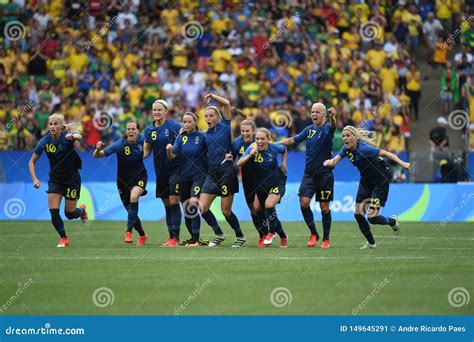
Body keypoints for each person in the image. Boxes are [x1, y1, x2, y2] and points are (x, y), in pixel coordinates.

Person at [324, 126, 410, 249]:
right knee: (358, 214)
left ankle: (392, 221)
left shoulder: (364, 149)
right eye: (343, 136)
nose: (345, 138)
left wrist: (404, 164)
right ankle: (371, 243)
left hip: (380, 182)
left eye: (348, 135)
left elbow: (385, 153)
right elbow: (335, 161)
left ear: (354, 137)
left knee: (372, 217)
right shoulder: (345, 149)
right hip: (365, 181)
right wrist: (329, 162)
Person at [279, 103, 336, 249]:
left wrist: (333, 117)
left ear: (323, 114)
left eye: (317, 112)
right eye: (312, 112)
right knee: (304, 203)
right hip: (309, 175)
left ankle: (326, 238)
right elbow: (292, 140)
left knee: (324, 208)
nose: (314, 114)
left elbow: (334, 126)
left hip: (324, 175)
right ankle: (313, 233)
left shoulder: (327, 128)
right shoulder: (309, 130)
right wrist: (273, 144)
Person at [28, 113, 88, 248]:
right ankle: (64, 238)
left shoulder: (67, 137)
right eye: (51, 124)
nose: (53, 126)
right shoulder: (44, 142)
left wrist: (73, 136)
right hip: (55, 180)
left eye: (56, 124)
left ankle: (82, 211)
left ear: (61, 126)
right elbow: (31, 162)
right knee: (54, 213)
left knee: (70, 214)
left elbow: (80, 136)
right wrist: (35, 179)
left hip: (72, 180)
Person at [200, 93, 246, 248]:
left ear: (218, 117)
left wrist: (212, 95)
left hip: (227, 172)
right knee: (203, 208)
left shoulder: (225, 126)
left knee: (226, 211)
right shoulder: (205, 135)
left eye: (211, 116)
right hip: (212, 174)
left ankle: (240, 235)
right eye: (206, 116)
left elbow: (226, 103)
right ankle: (219, 234)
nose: (208, 119)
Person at [93, 121, 148, 246]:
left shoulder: (143, 141)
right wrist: (97, 149)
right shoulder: (120, 144)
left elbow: (153, 147)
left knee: (134, 197)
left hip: (140, 177)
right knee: (130, 211)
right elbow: (97, 156)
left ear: (138, 130)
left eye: (133, 129)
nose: (131, 131)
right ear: (126, 131)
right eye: (128, 129)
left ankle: (128, 232)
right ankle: (143, 235)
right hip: (122, 181)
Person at [166, 112, 212, 246]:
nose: (186, 124)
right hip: (184, 177)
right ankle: (193, 238)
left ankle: (197, 239)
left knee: (193, 204)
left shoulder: (202, 136)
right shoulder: (181, 138)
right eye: (184, 122)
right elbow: (173, 156)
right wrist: (169, 151)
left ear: (195, 122)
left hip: (199, 176)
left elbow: (212, 150)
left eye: (189, 122)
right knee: (186, 208)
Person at [237, 128, 288, 248]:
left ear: (268, 139)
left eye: (262, 139)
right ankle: (283, 236)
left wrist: (284, 164)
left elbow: (284, 149)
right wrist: (250, 155)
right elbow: (239, 163)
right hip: (261, 185)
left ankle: (271, 233)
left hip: (276, 183)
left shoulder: (274, 148)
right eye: (257, 139)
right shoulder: (252, 149)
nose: (259, 141)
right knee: (257, 208)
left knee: (269, 205)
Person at [143, 99, 182, 247]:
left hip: (176, 169)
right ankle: (171, 237)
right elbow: (147, 150)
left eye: (159, 110)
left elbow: (187, 136)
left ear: (165, 111)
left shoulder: (174, 126)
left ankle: (175, 239)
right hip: (160, 171)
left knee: (173, 201)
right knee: (166, 204)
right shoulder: (149, 130)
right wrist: (135, 158)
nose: (156, 112)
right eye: (154, 110)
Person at [232, 118, 268, 247]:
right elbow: (233, 159)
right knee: (253, 211)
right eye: (242, 131)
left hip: (261, 178)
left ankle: (270, 233)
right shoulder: (236, 143)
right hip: (247, 180)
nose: (245, 133)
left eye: (247, 131)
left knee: (260, 208)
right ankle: (262, 235)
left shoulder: (259, 140)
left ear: (253, 131)